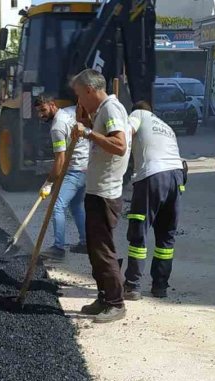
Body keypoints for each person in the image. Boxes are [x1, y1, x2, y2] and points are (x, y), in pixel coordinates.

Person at [70, 69, 131, 324]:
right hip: (97, 191)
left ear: (89, 90)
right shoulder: (101, 111)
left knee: (103, 250)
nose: (79, 101)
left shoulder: (111, 110)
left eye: (79, 95)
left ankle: (116, 303)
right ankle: (104, 297)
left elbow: (119, 145)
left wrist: (87, 133)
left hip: (105, 193)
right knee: (95, 250)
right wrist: (85, 120)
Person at [123, 101, 185, 299]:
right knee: (166, 235)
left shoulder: (138, 115)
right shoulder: (165, 126)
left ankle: (132, 286)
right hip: (177, 176)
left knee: (139, 232)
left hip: (153, 176)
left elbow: (125, 135)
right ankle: (160, 286)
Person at [34, 94, 90, 260]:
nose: (41, 115)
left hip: (75, 170)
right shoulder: (71, 111)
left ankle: (58, 248)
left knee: (58, 207)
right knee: (76, 205)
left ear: (52, 105)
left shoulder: (57, 128)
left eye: (43, 110)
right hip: (86, 167)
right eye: (38, 112)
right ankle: (85, 243)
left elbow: (60, 160)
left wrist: (49, 183)